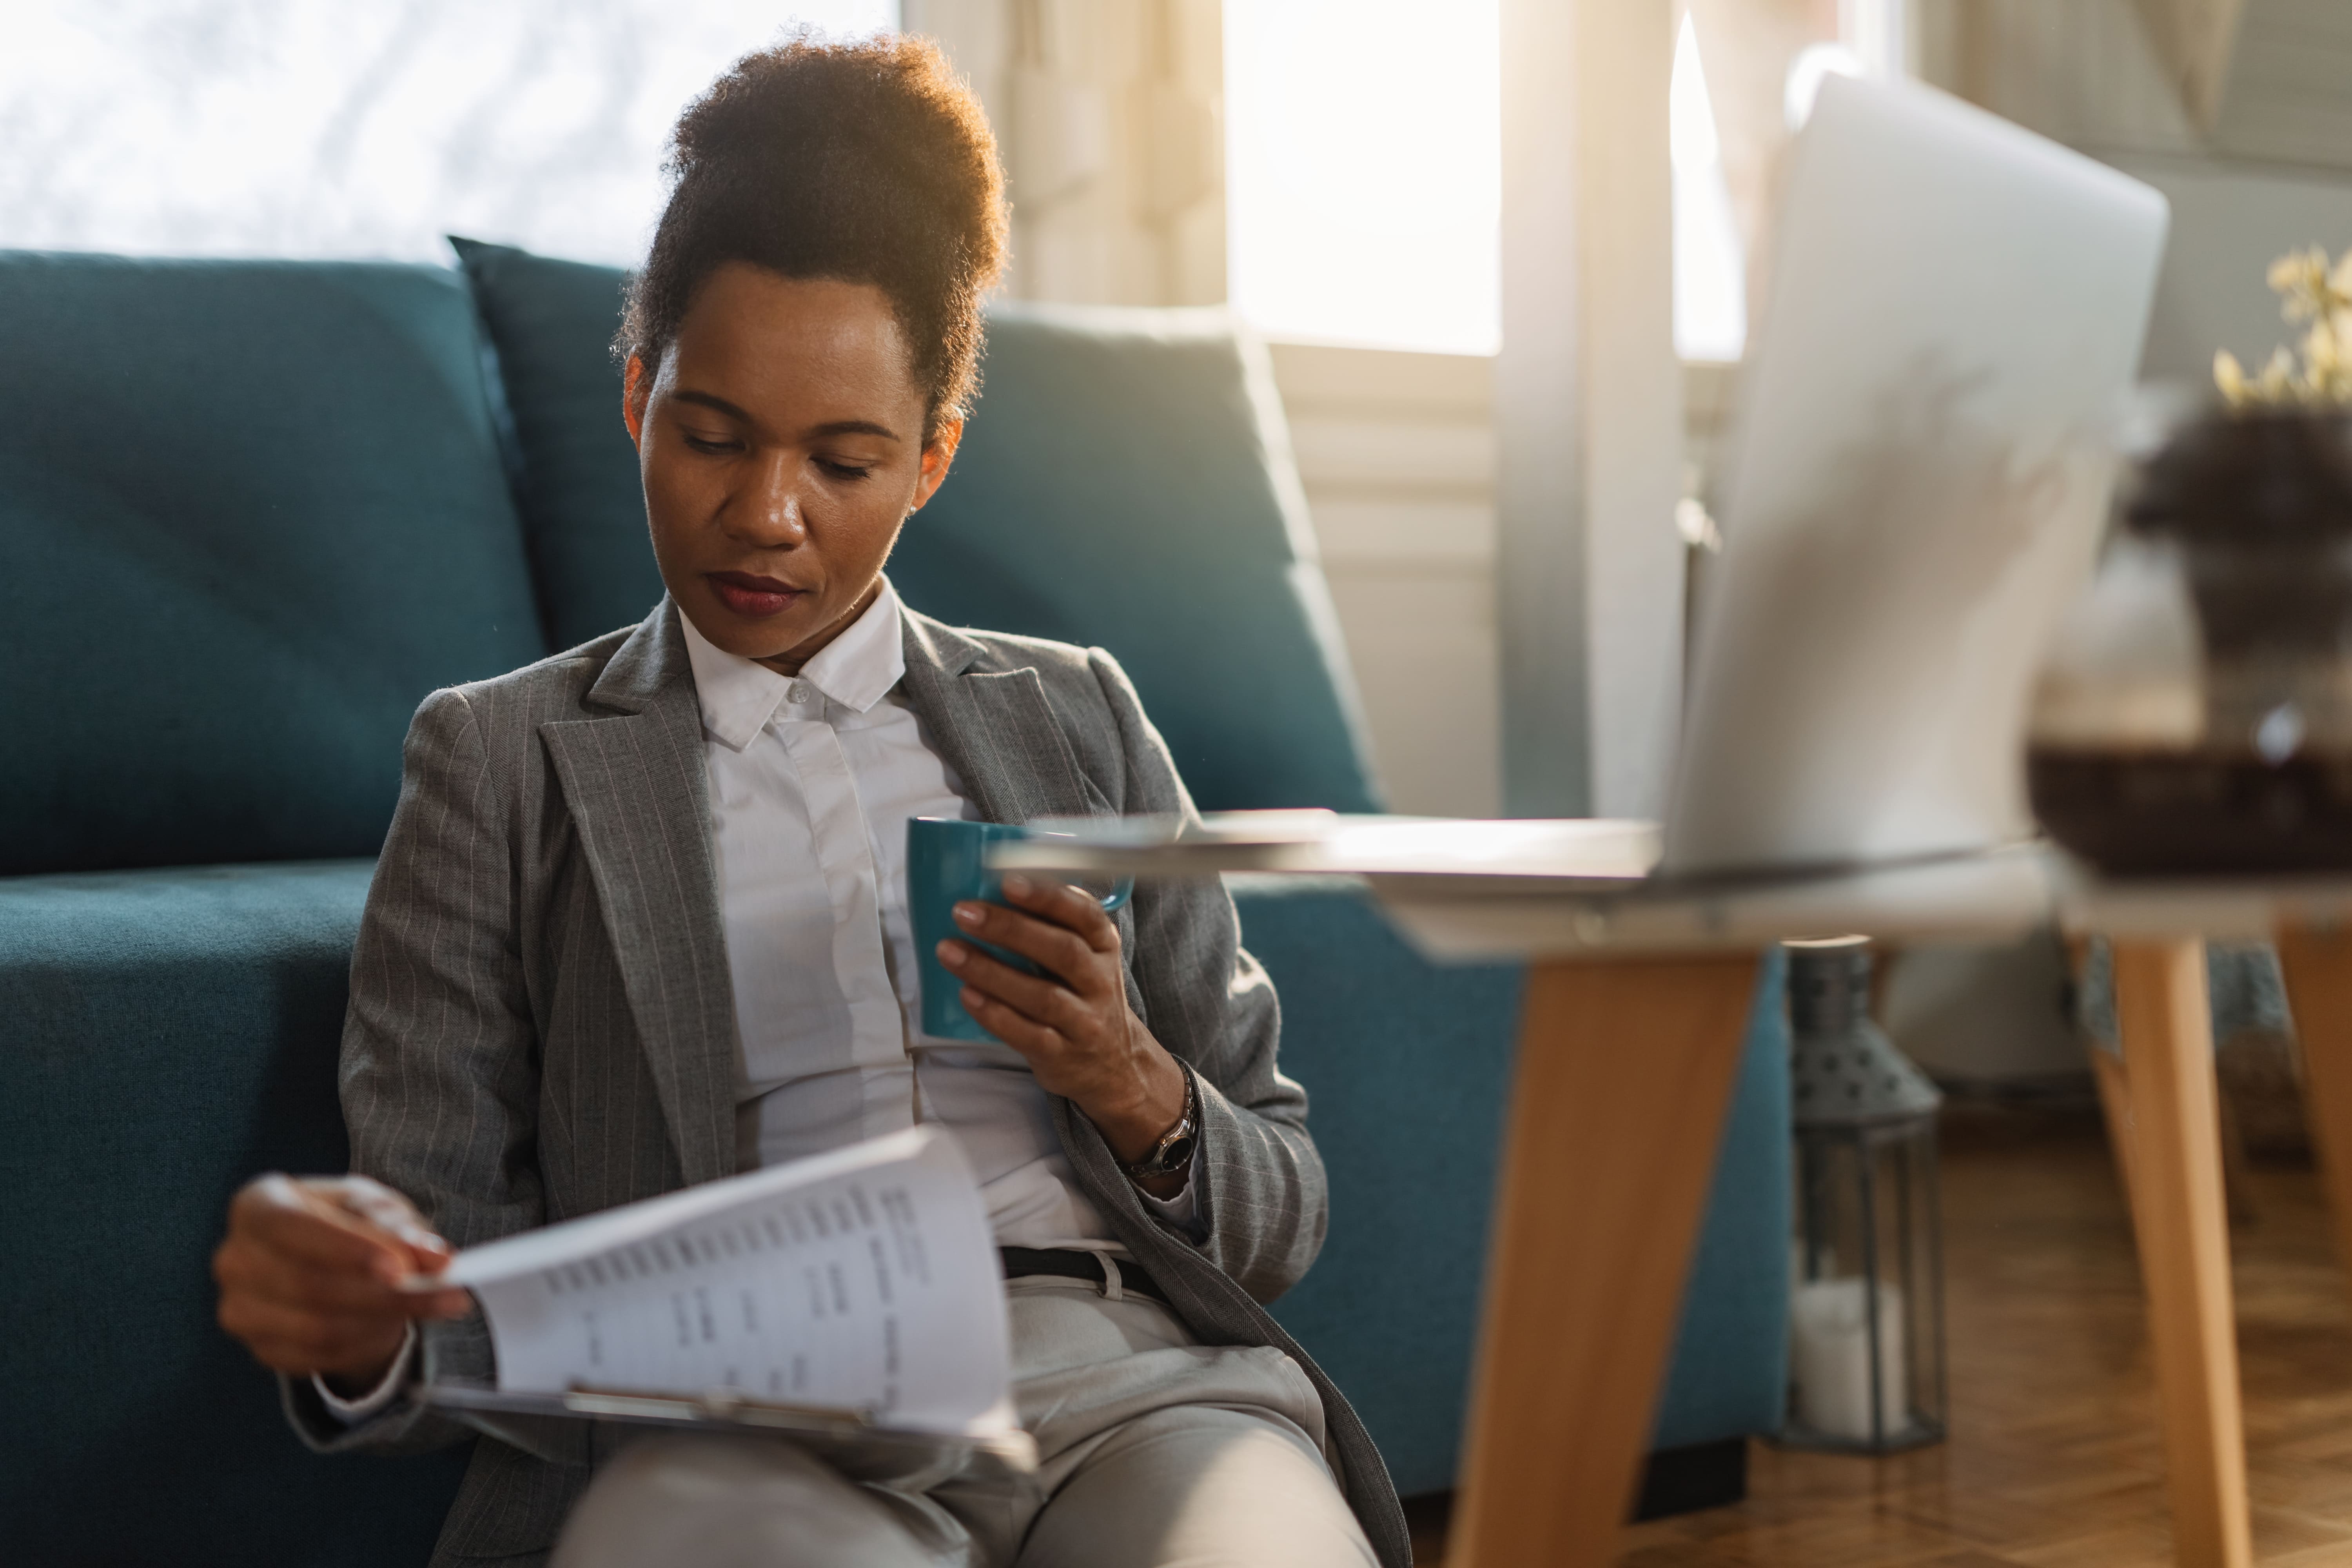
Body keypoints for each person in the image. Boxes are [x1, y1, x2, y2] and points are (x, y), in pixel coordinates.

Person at [209, 31, 1405, 1568]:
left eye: (845, 461)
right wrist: (366, 1313)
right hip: (747, 1425)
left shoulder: (1076, 715)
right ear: (639, 393)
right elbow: (431, 1248)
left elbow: (1282, 1205)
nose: (765, 516)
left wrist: (1131, 1080)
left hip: (1132, 1386)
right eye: (711, 435)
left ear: (933, 459)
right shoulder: (499, 761)